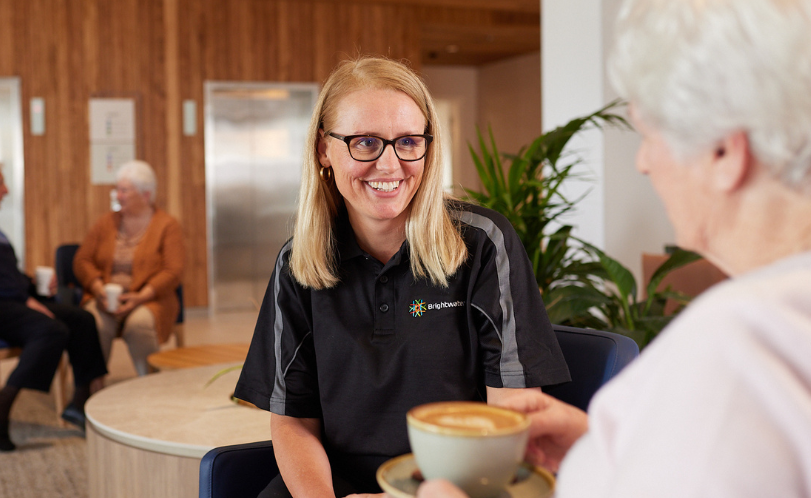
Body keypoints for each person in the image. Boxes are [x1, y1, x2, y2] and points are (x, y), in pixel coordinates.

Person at [418, 0, 811, 496]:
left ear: (724, 151)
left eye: (649, 135)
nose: (643, 162)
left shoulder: (740, 347)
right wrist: (616, 449)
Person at [233, 56, 571, 497]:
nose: (390, 165)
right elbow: (293, 420)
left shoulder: (485, 244)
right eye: (366, 142)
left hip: (455, 484)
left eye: (408, 141)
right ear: (323, 149)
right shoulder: (298, 262)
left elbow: (510, 417)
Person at [0, 161, 108, 451]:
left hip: (4, 299)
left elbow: (2, 273)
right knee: (50, 330)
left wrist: (32, 286)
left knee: (81, 319)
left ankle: (79, 402)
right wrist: (25, 298)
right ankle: (0, 405)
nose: (6, 190)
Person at [74, 160, 185, 376]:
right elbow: (82, 260)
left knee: (139, 326)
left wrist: (140, 297)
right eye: (117, 189)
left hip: (150, 300)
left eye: (124, 190)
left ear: (146, 195)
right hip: (105, 299)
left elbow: (173, 271)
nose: (117, 195)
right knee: (93, 323)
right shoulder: (105, 222)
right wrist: (99, 290)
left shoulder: (167, 225)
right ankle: (91, 386)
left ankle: (149, 384)